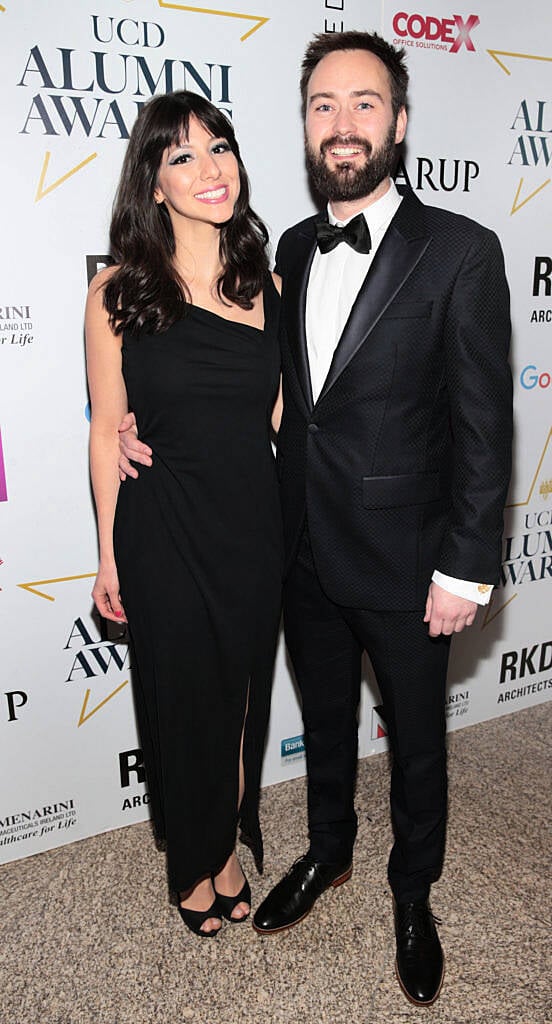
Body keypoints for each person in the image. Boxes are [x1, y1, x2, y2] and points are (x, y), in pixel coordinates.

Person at [119, 31, 513, 1004]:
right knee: (326, 725)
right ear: (305, 126)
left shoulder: (461, 251)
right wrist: (140, 417)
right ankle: (327, 852)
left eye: (364, 102)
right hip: (296, 551)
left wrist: (465, 565)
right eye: (323, 105)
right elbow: (269, 397)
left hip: (414, 560)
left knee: (418, 741)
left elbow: (484, 422)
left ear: (400, 121)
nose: (343, 124)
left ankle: (411, 895)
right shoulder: (285, 250)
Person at [85, 90, 283, 938]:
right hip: (159, 523)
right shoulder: (115, 292)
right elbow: (104, 431)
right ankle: (192, 859)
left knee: (239, 703)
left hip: (252, 524)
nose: (211, 170)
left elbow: (286, 422)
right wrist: (106, 557)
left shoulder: (269, 286)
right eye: (183, 157)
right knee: (182, 698)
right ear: (153, 183)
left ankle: (228, 843)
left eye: (221, 148)